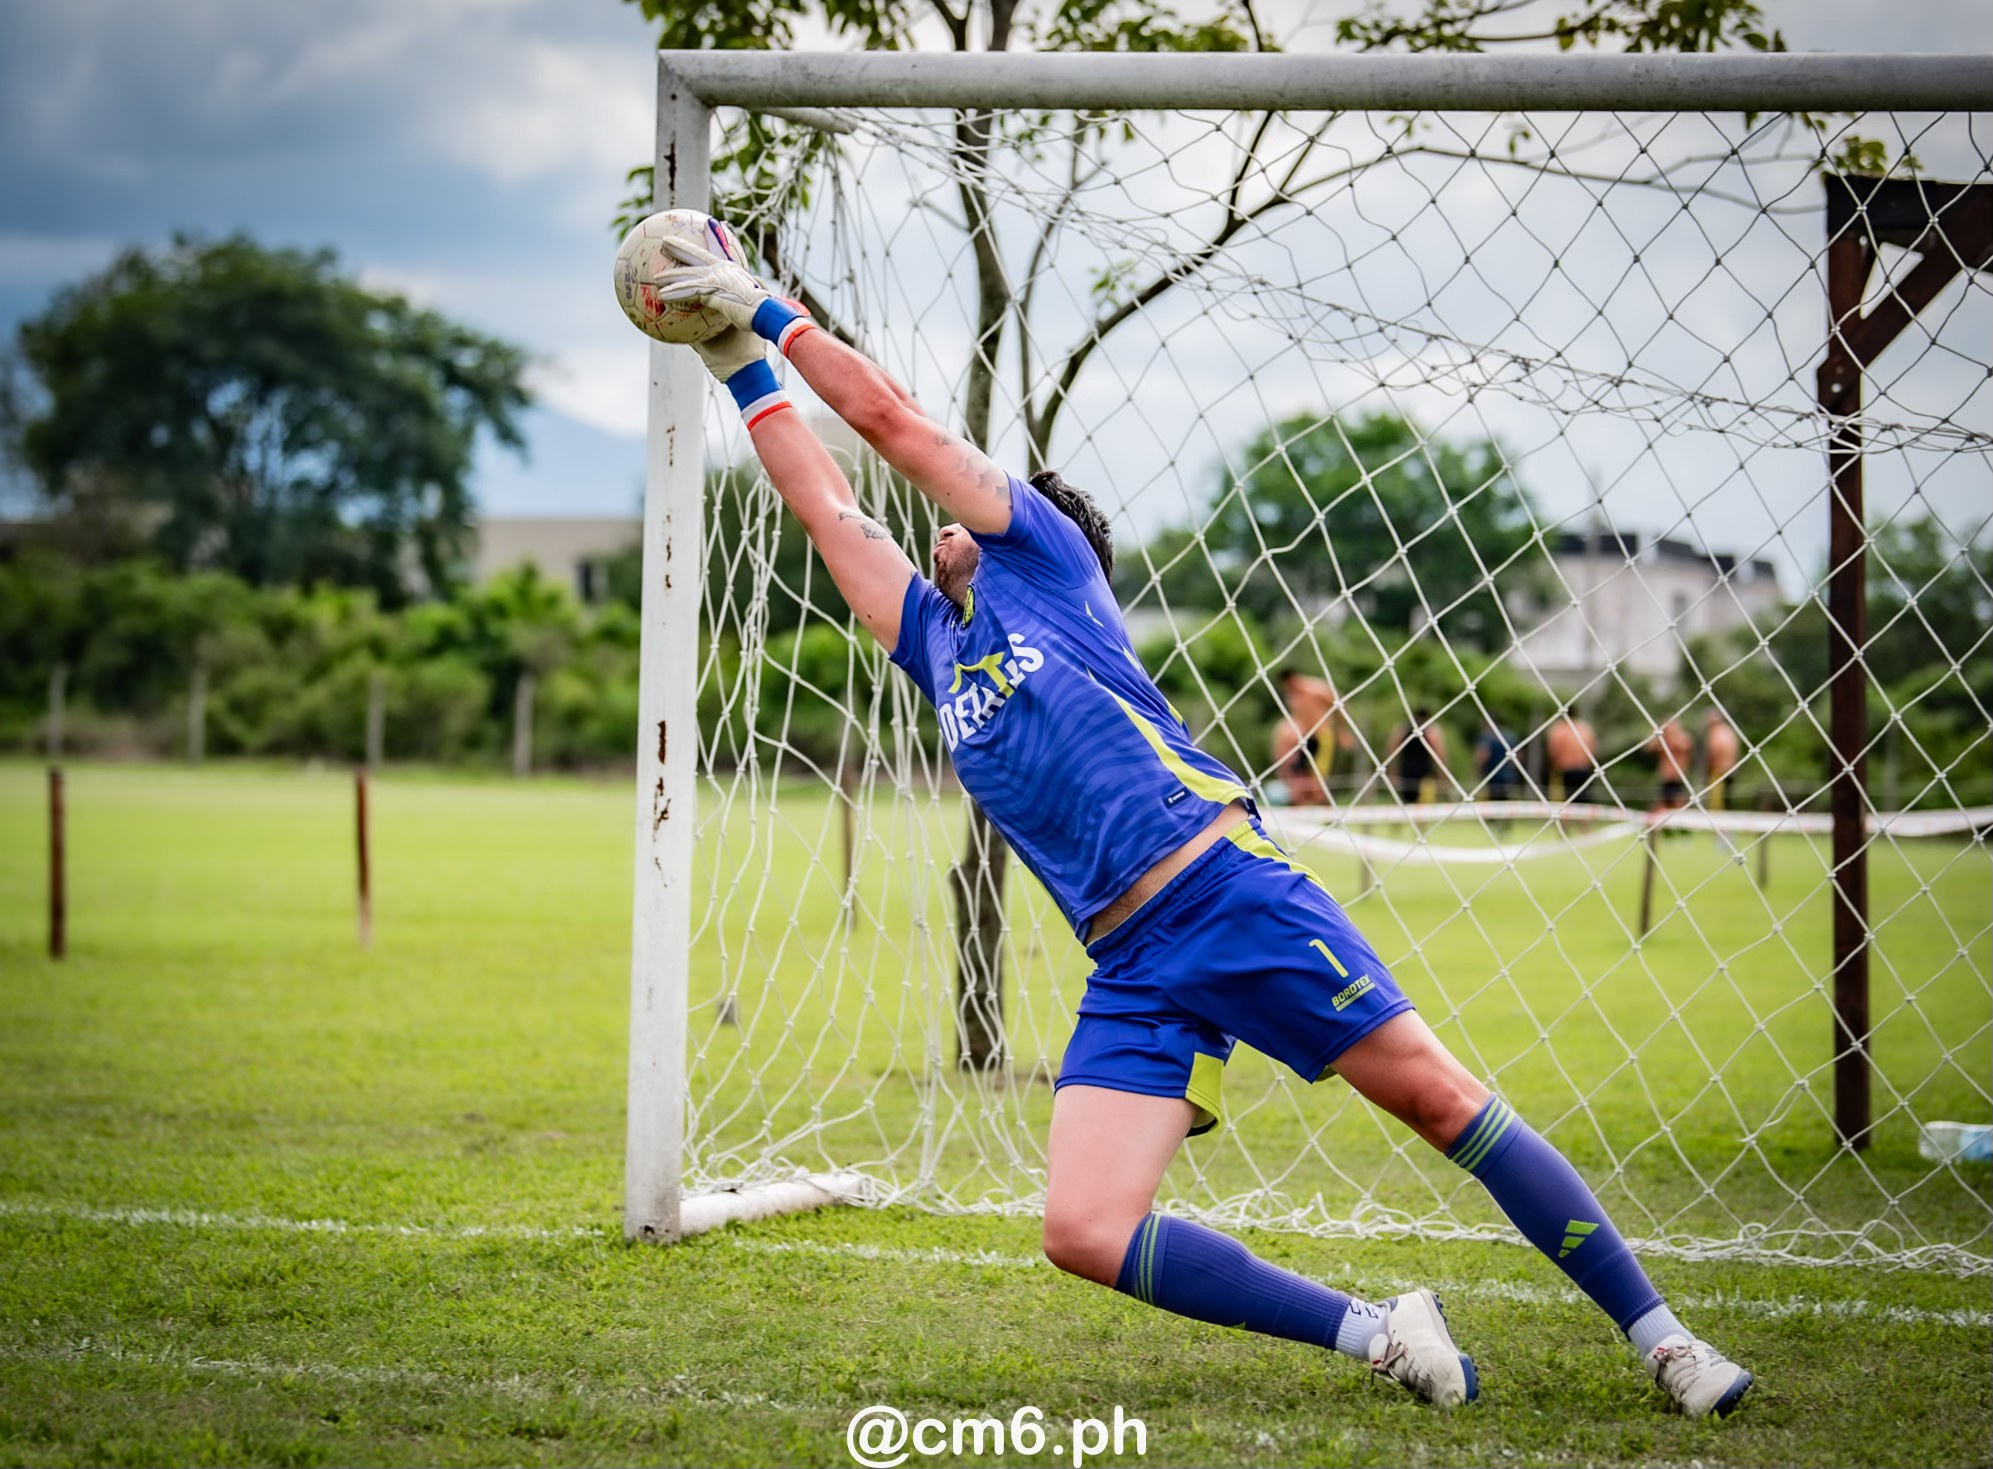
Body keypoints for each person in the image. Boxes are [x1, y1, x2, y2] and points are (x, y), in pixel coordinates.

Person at [641, 230, 1753, 1418]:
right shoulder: (934, 638)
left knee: (1437, 1098)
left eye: (975, 500)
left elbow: (895, 430)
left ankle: (1665, 1338)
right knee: (1083, 1228)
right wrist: (733, 366)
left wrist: (772, 311)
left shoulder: (1045, 563)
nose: (944, 514)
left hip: (1225, 890)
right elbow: (828, 509)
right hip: (1130, 959)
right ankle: (1377, 1329)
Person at [1274, 668, 1339, 807]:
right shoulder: (1292, 698)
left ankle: (1331, 815)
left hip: (1322, 737)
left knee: (1317, 782)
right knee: (1299, 778)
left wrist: (1343, 732)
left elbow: (1339, 706)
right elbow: (1298, 719)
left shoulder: (1316, 689)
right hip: (1305, 740)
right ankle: (1298, 816)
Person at [1388, 709, 1447, 807]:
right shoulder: (1431, 731)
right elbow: (1440, 754)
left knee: (1417, 806)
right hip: (1417, 774)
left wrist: (1392, 771)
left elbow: (1392, 750)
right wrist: (1442, 775)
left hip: (1413, 774)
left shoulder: (1403, 729)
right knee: (1419, 807)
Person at [1546, 708, 1598, 805]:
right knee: (1583, 798)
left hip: (1567, 769)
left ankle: (1569, 818)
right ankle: (1583, 819)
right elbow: (1592, 748)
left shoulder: (1559, 729)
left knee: (1568, 798)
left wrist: (1553, 767)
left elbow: (1554, 750)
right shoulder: (1585, 728)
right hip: (1584, 769)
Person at [1647, 717, 1692, 818]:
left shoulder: (1682, 737)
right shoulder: (1662, 739)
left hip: (1677, 777)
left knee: (1679, 803)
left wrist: (1671, 736)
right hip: (1665, 777)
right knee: (1661, 804)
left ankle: (1682, 826)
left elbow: (1685, 747)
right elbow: (1650, 748)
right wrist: (1658, 735)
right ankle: (1655, 827)